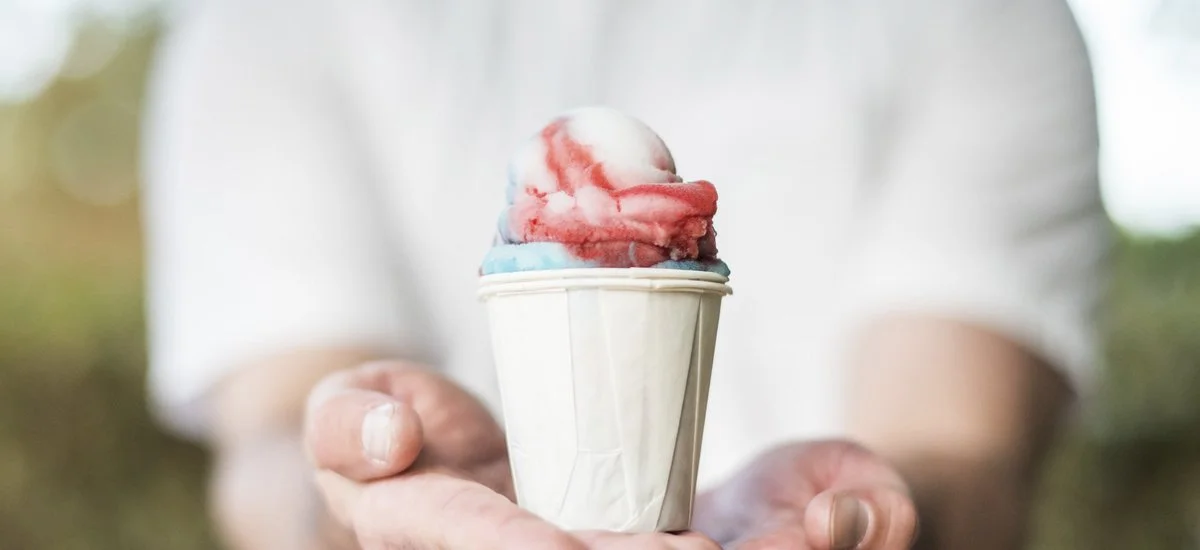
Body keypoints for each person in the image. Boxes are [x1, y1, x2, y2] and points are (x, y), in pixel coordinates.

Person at [139, 0, 1110, 548]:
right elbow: (276, 435)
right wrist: (364, 493)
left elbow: (958, 451)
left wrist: (861, 519)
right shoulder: (267, 22)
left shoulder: (985, 17)